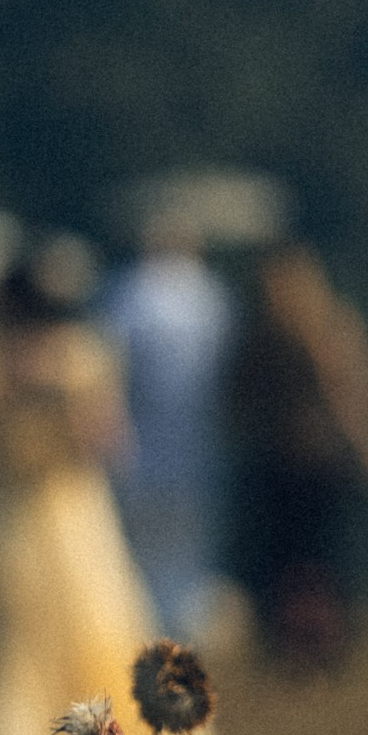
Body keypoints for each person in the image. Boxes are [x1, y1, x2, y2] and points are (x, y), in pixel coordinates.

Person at [0, 238, 160, 735]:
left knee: (92, 652)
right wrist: (13, 397)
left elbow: (112, 444)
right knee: (8, 665)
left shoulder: (84, 358)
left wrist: (72, 404)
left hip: (72, 524)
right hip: (10, 524)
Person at [227, 242, 368, 670]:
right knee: (324, 562)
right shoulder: (333, 327)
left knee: (286, 562)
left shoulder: (257, 334)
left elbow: (238, 405)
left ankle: (292, 648)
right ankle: (324, 647)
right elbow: (358, 398)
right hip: (325, 466)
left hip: (277, 468)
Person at [98, 200, 238, 643]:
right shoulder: (211, 298)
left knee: (135, 563)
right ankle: (180, 655)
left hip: (135, 455)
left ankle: (142, 646)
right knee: (188, 566)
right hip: (198, 455)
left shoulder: (126, 295)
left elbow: (104, 372)